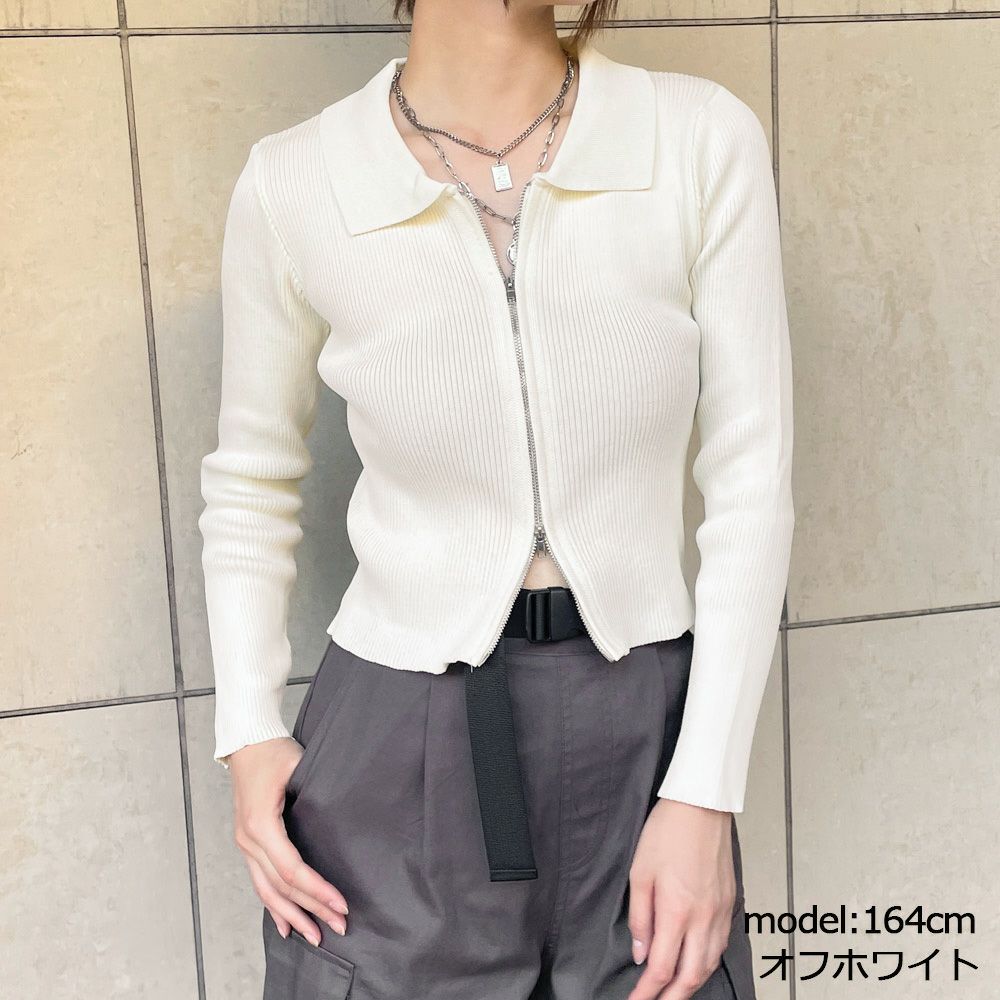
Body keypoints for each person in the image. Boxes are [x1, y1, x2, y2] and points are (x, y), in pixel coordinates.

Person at [197, 1, 794, 998]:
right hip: (400, 724)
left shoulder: (695, 137)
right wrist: (249, 732)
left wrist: (704, 789)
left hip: (641, 717)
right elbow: (250, 477)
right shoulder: (295, 179)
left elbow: (751, 476)